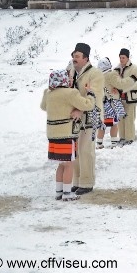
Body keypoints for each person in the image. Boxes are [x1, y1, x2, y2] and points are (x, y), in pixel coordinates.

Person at [41, 69, 97, 201]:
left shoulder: (48, 93)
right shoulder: (70, 93)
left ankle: (59, 192)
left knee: (61, 164)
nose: (71, 79)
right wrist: (90, 94)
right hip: (67, 134)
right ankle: (67, 194)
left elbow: (43, 107)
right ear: (64, 80)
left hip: (52, 135)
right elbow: (87, 105)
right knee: (69, 164)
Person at [69, 43, 105, 195]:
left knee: (86, 150)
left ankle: (87, 182)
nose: (74, 59)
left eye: (77, 56)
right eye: (73, 56)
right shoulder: (72, 71)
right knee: (76, 150)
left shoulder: (95, 74)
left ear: (86, 58)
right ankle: (77, 181)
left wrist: (79, 108)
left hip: (90, 116)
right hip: (74, 118)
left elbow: (94, 95)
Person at [95, 57, 131, 149]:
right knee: (114, 124)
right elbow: (120, 84)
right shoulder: (111, 75)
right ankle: (113, 143)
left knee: (102, 125)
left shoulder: (97, 77)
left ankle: (99, 143)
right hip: (112, 103)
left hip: (102, 104)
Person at [115, 48, 137, 146]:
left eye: (123, 57)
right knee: (121, 118)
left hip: (131, 97)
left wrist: (120, 88)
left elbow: (132, 82)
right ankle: (122, 137)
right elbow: (114, 81)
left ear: (128, 58)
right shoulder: (117, 68)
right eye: (120, 57)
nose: (121, 59)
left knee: (129, 117)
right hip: (120, 98)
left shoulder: (134, 68)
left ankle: (130, 138)